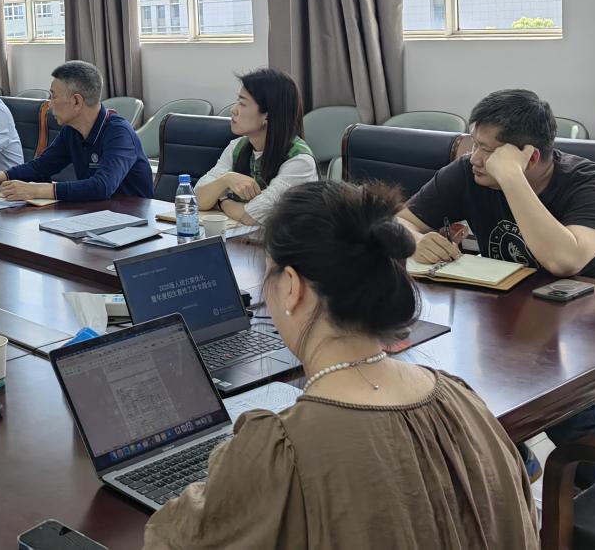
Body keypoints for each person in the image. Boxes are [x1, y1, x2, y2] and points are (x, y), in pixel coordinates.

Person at [142, 181, 539, 550]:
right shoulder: (460, 398)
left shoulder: (282, 448)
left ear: (292, 286)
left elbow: (174, 539)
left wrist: (225, 466)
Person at [399, 88, 595, 484]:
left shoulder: (591, 183)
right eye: (473, 143)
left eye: (486, 150)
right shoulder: (468, 173)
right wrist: (415, 239)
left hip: (586, 332)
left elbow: (565, 260)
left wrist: (512, 177)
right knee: (464, 394)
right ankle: (514, 458)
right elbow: (398, 220)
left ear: (529, 158)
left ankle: (592, 492)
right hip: (512, 323)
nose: (474, 157)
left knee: (575, 430)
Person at [0, 60, 152, 201]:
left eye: (53, 96)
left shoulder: (119, 133)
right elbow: (41, 166)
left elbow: (102, 186)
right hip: (96, 215)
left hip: (133, 221)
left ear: (76, 101)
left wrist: (35, 190)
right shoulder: (71, 131)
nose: (49, 104)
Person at [194, 69, 317, 225]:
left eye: (243, 103)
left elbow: (253, 216)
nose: (233, 110)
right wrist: (226, 179)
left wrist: (221, 201)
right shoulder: (237, 147)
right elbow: (197, 199)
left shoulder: (300, 161)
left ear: (267, 114)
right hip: (242, 237)